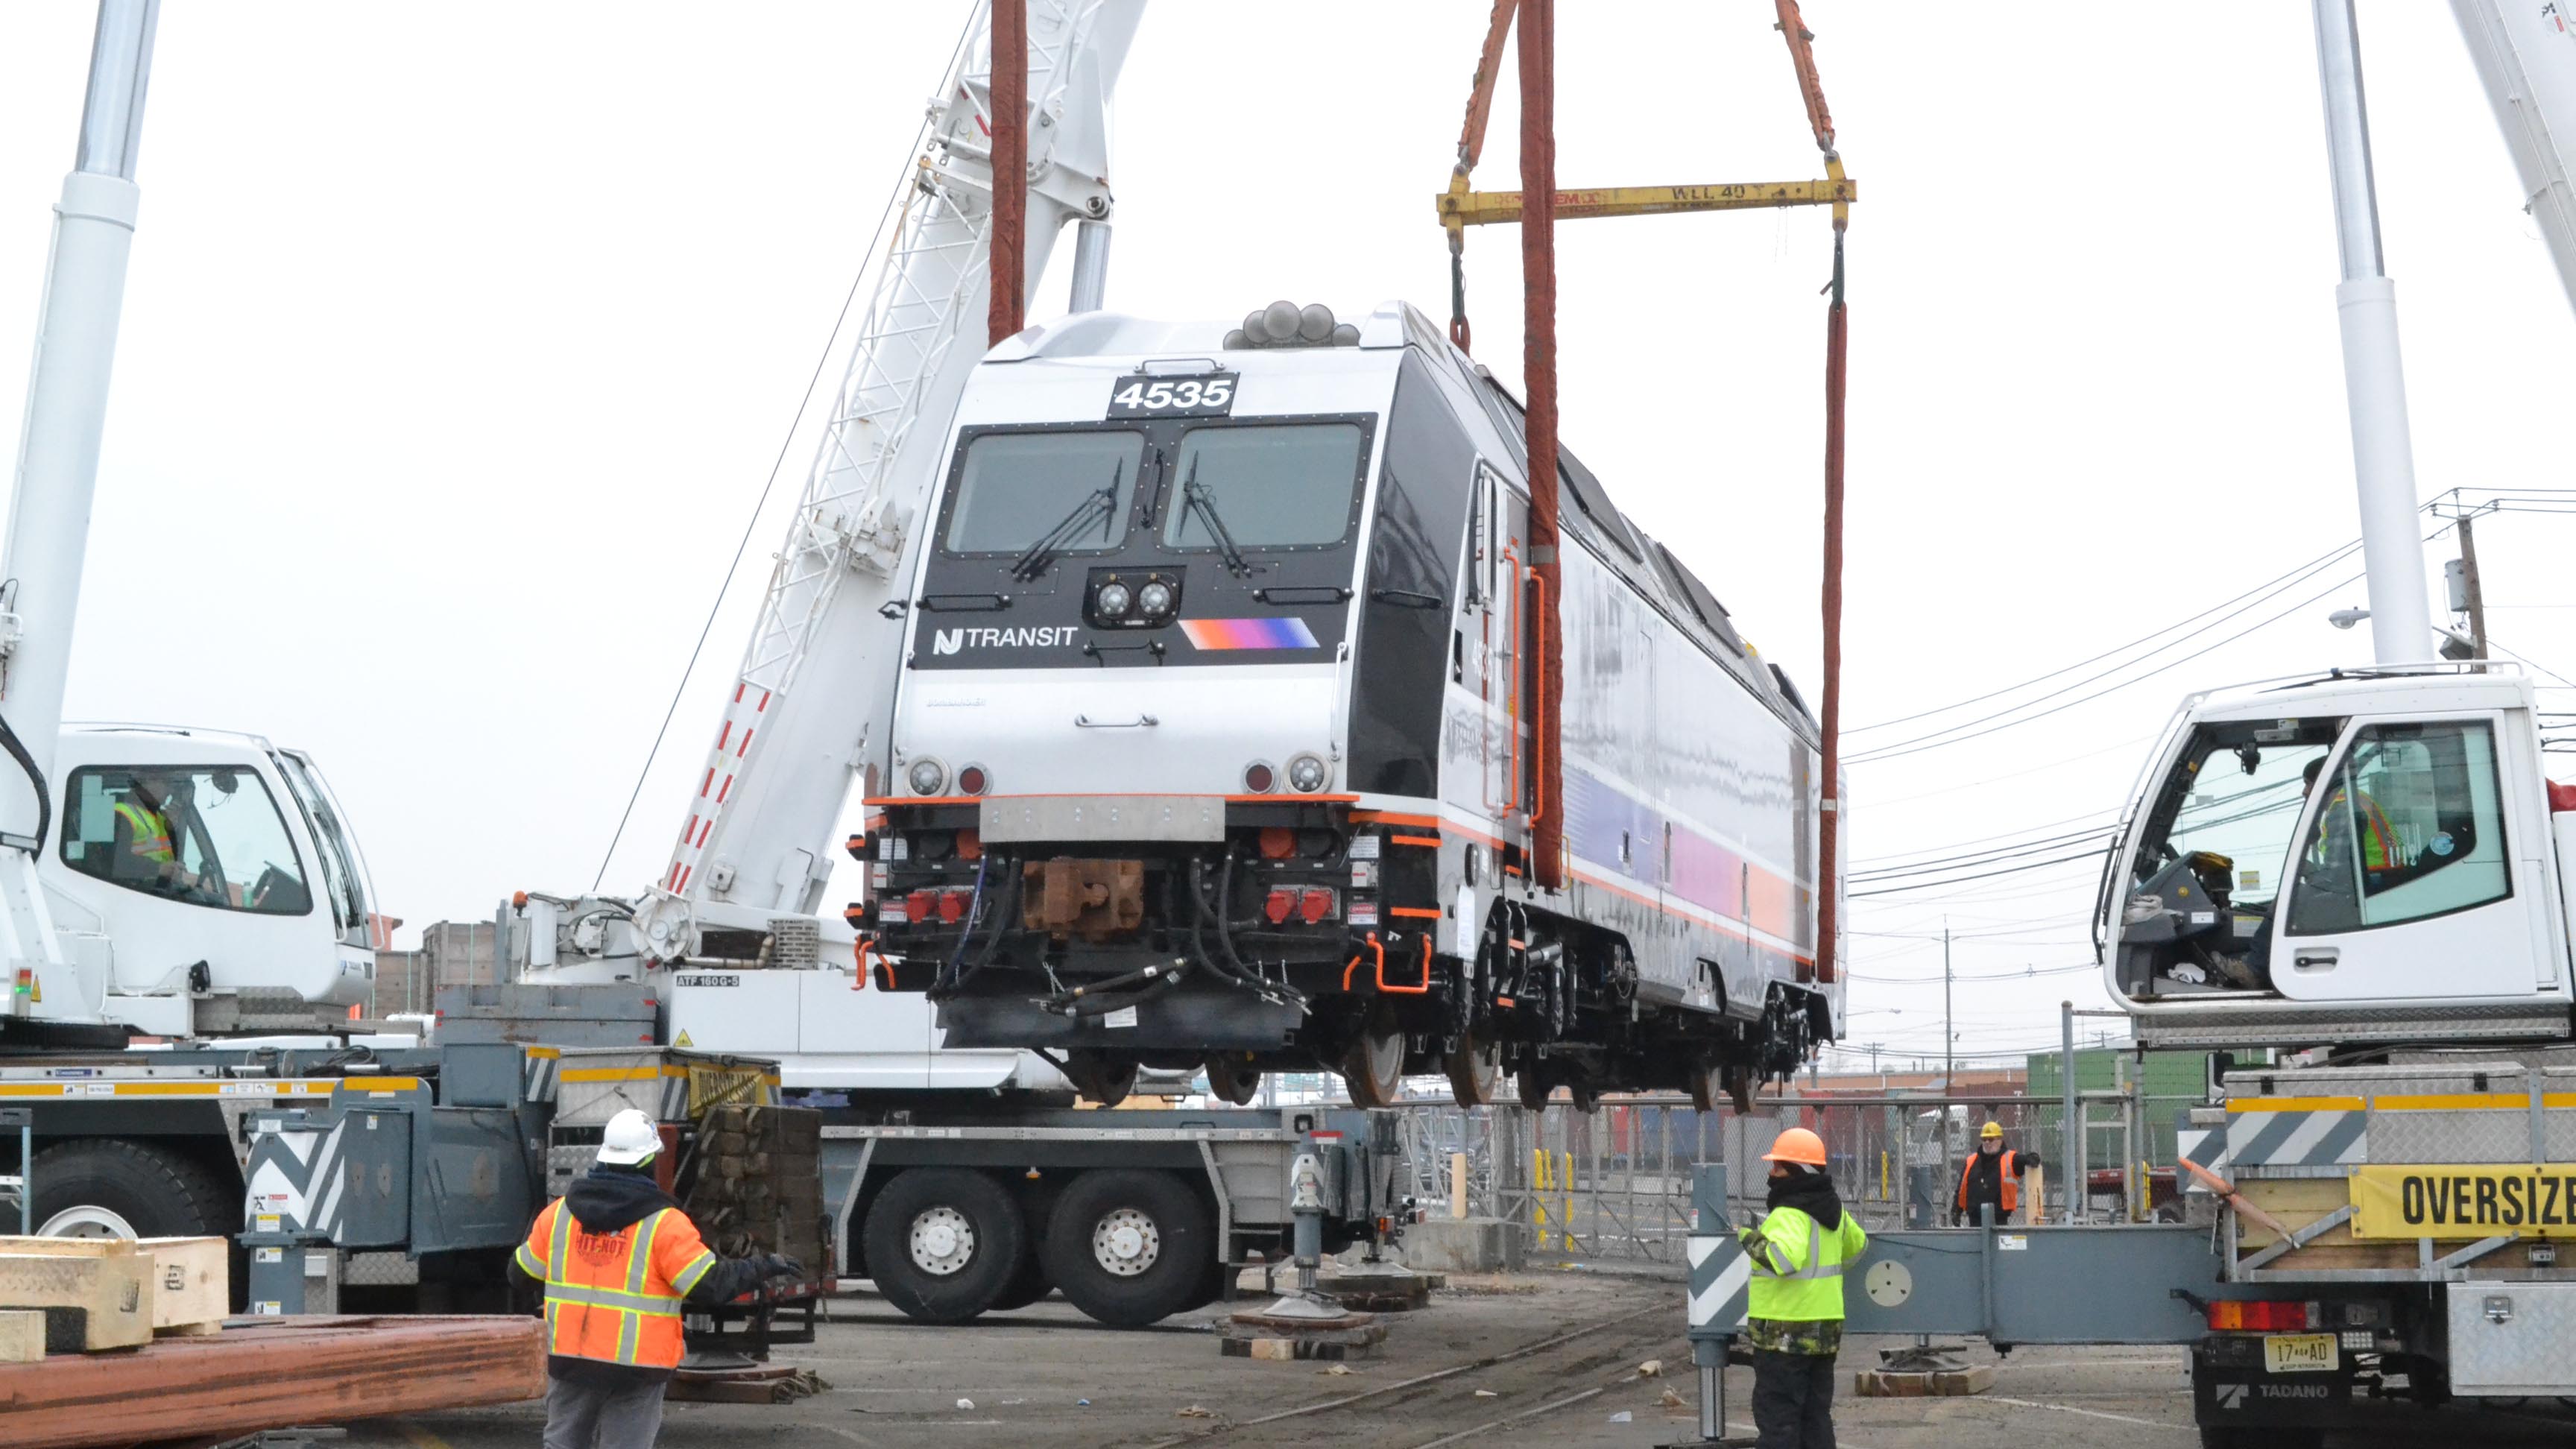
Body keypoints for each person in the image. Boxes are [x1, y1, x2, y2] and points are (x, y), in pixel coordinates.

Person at [514, 1108, 800, 1449]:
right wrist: (766, 1265)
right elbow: (710, 1285)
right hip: (637, 1367)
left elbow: (520, 1275)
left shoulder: (559, 1214)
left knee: (562, 1444)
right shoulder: (665, 1223)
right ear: (649, 1159)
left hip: (570, 1360)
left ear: (604, 1156)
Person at [1737, 1126, 1866, 1449]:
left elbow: (1783, 1259)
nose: (1771, 1172)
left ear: (1796, 1171)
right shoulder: (1835, 1212)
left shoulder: (1788, 1213)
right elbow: (1858, 1247)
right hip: (1824, 1332)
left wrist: (1749, 1238)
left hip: (1784, 1334)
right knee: (1815, 1418)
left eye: (1778, 1166)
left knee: (1779, 1418)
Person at [1952, 1120, 2040, 1225]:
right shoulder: (1971, 1161)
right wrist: (1956, 1211)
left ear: (2000, 1140)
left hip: (1999, 1220)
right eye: (1984, 1139)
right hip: (1974, 1220)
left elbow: (2026, 1159)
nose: (1987, 1143)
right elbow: (1961, 1189)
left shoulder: (2010, 1159)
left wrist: (2033, 1159)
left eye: (1991, 1139)